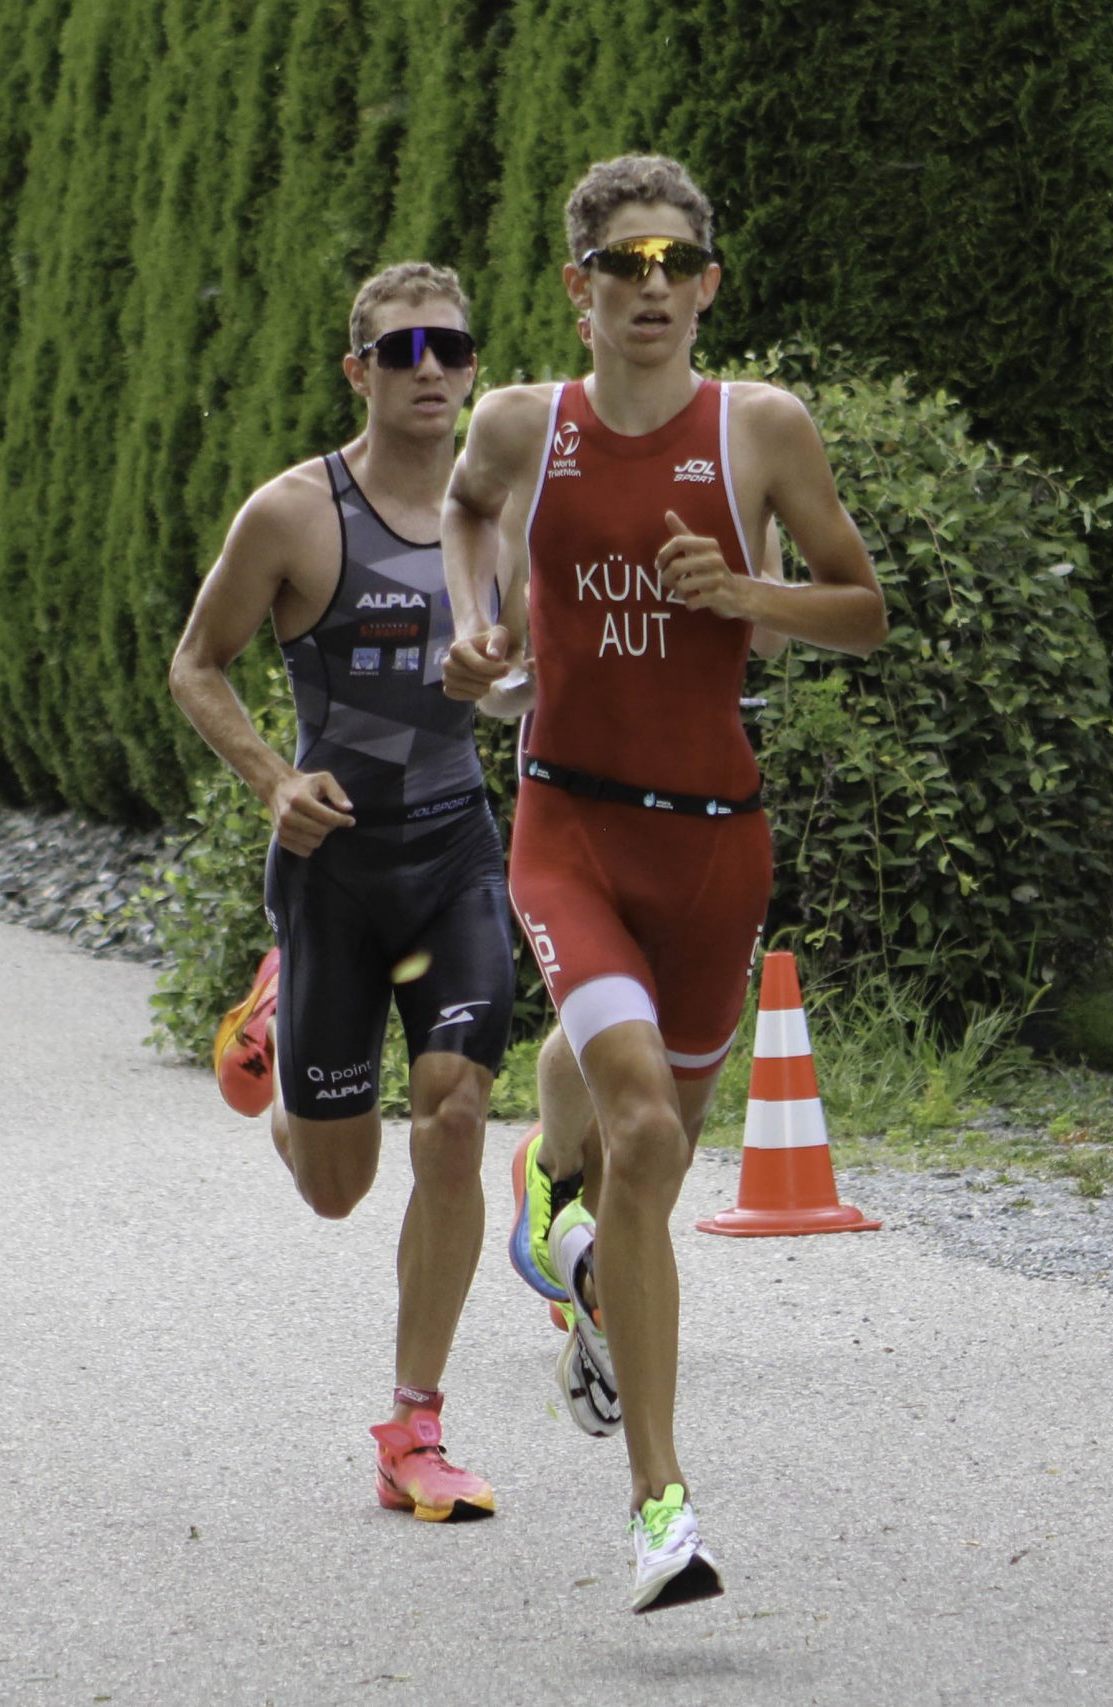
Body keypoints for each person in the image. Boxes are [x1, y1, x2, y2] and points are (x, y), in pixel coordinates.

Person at [441, 153, 888, 1610]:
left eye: (672, 262)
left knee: (656, 1150)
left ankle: (553, 1214)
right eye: (619, 264)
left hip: (713, 844)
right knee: (640, 1119)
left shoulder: (759, 428)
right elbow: (463, 510)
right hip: (569, 823)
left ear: (705, 285)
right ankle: (660, 1507)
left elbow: (863, 609)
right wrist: (478, 627)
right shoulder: (526, 425)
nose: (648, 286)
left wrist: (746, 595)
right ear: (578, 292)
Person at [170, 262, 516, 1523]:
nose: (431, 368)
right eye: (403, 347)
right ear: (357, 369)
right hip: (331, 875)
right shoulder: (292, 514)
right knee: (338, 1189)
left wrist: (511, 683)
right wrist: (272, 780)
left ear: (475, 367)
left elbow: (543, 673)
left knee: (458, 1111)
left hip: (457, 858)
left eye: (452, 348)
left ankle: (414, 1426)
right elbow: (197, 664)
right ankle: (276, 1006)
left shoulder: (506, 509)